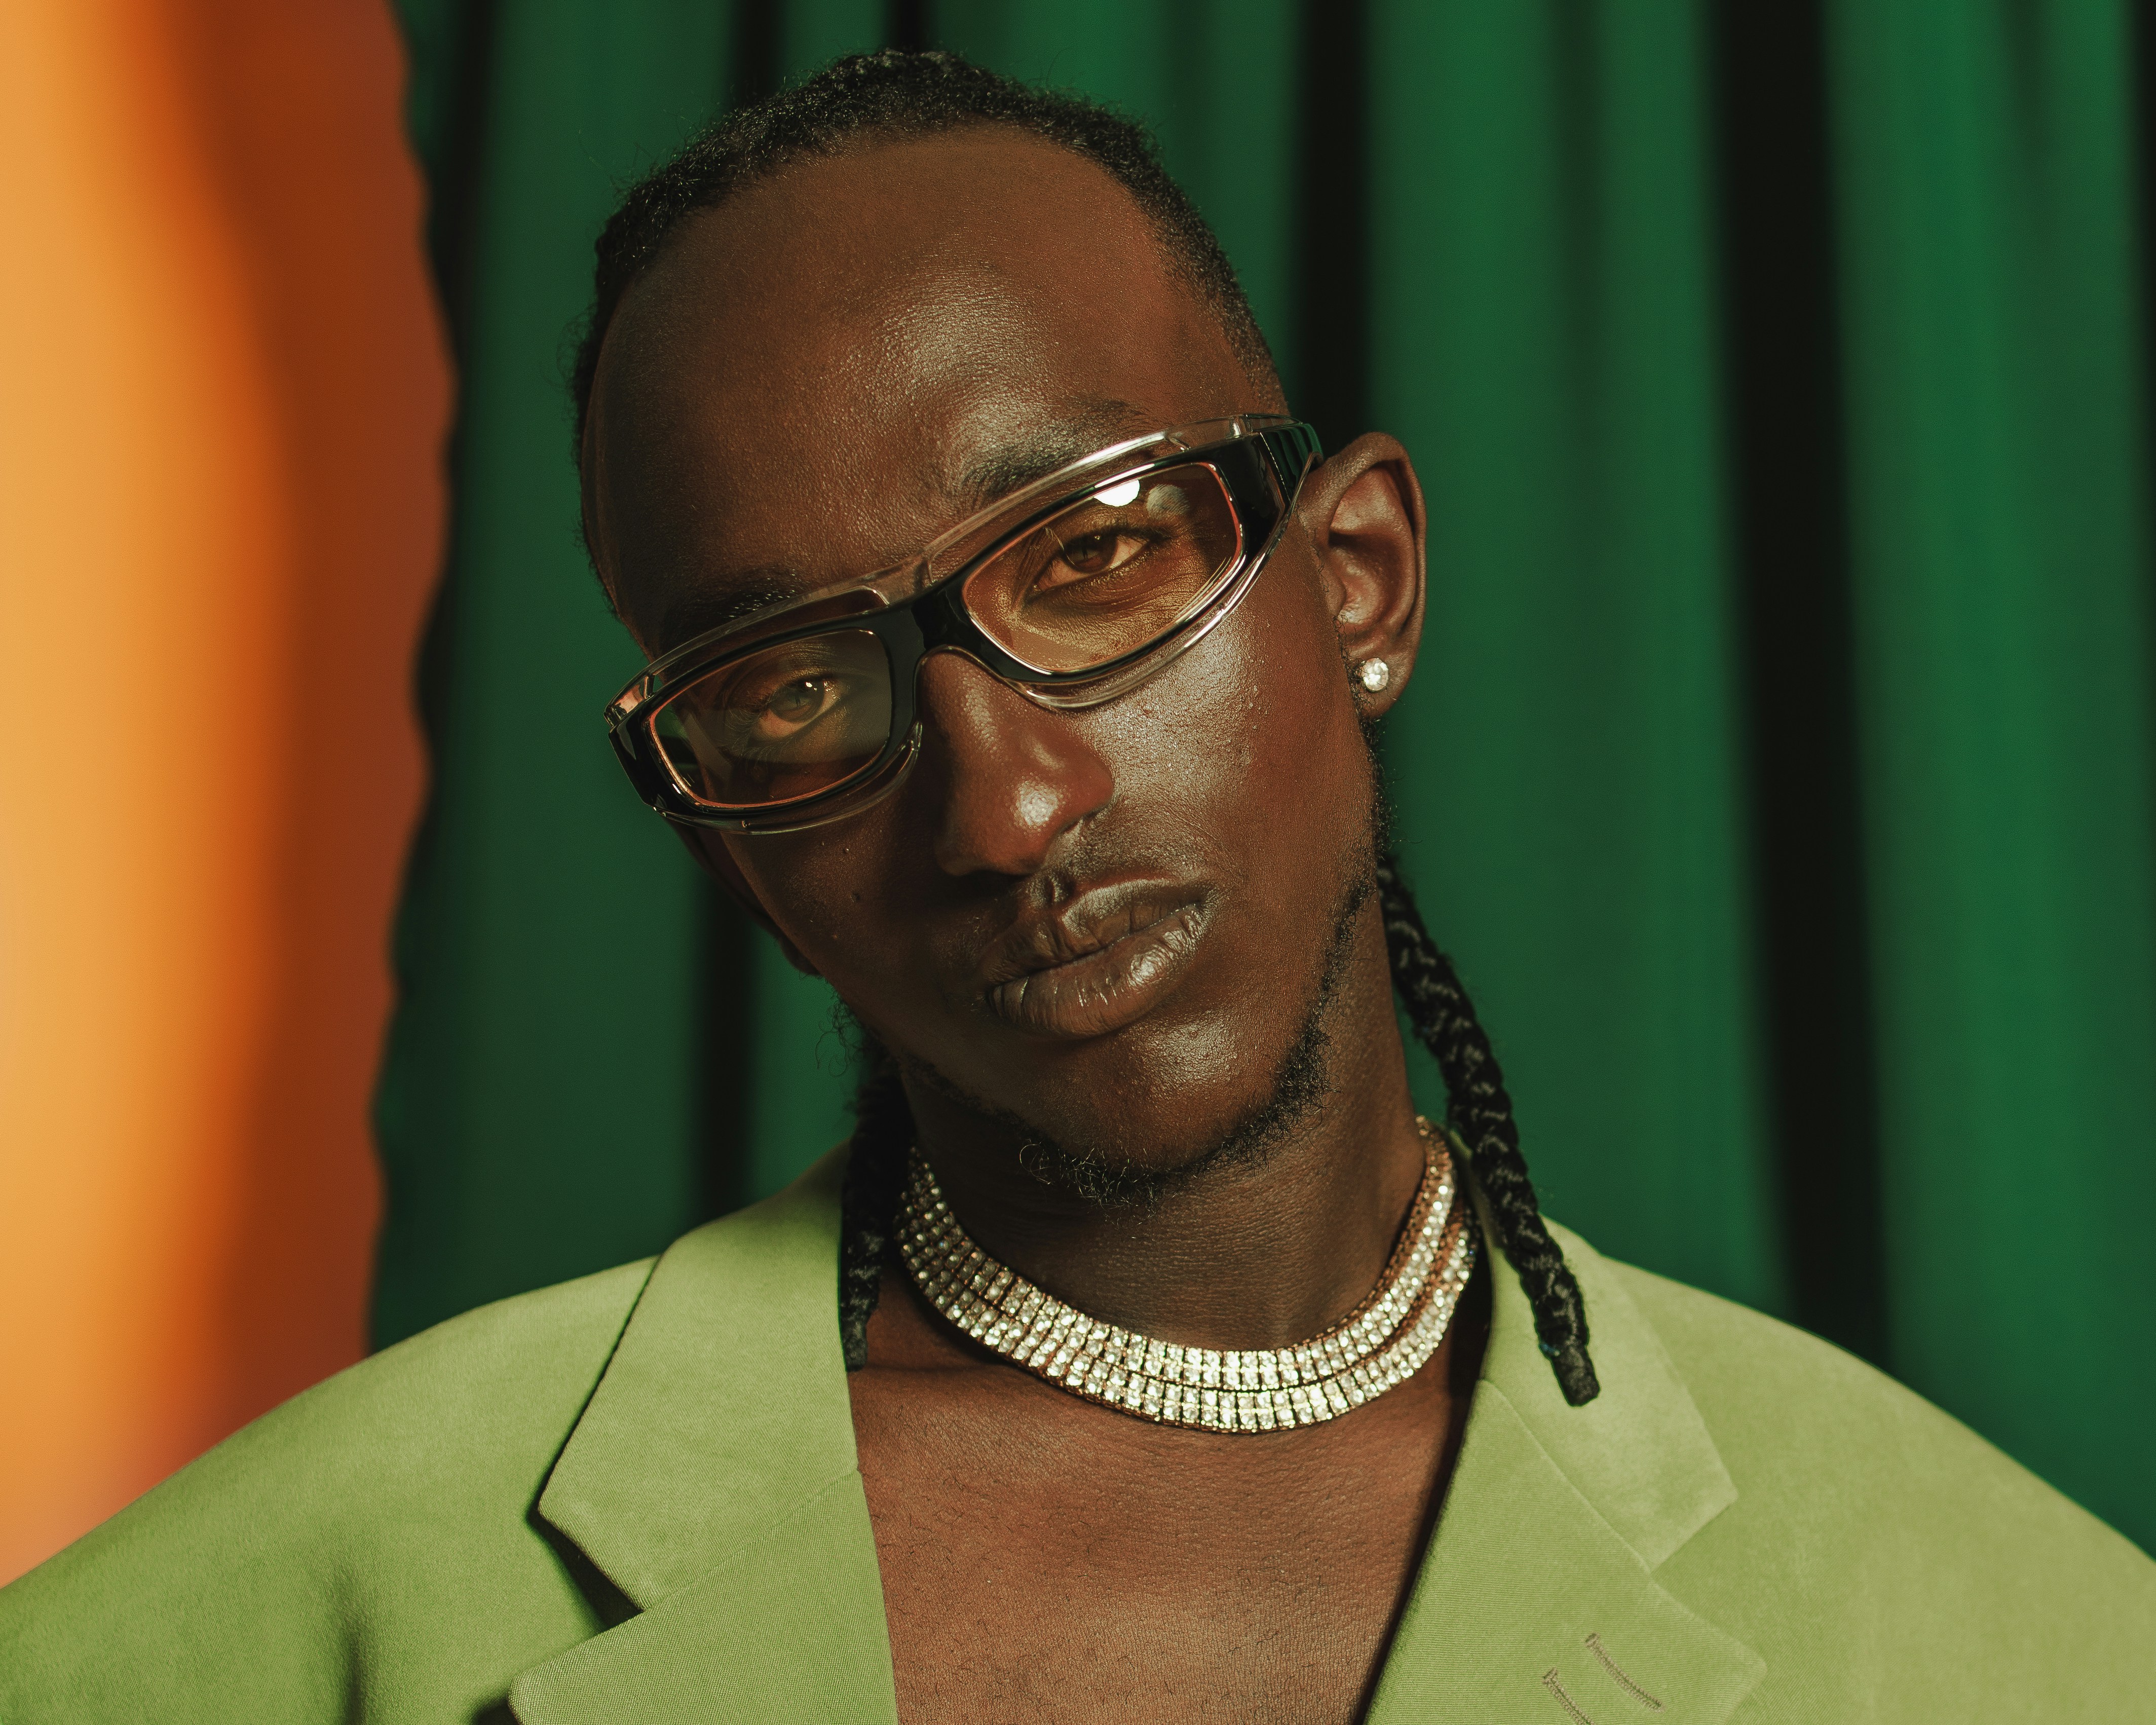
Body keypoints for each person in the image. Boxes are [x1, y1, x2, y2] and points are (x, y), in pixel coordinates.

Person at [4, 49, 2150, 1724]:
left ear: (1355, 580)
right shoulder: (304, 1605)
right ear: (719, 837)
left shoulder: (2015, 1632)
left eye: (1095, 550)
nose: (1004, 806)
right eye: (787, 696)